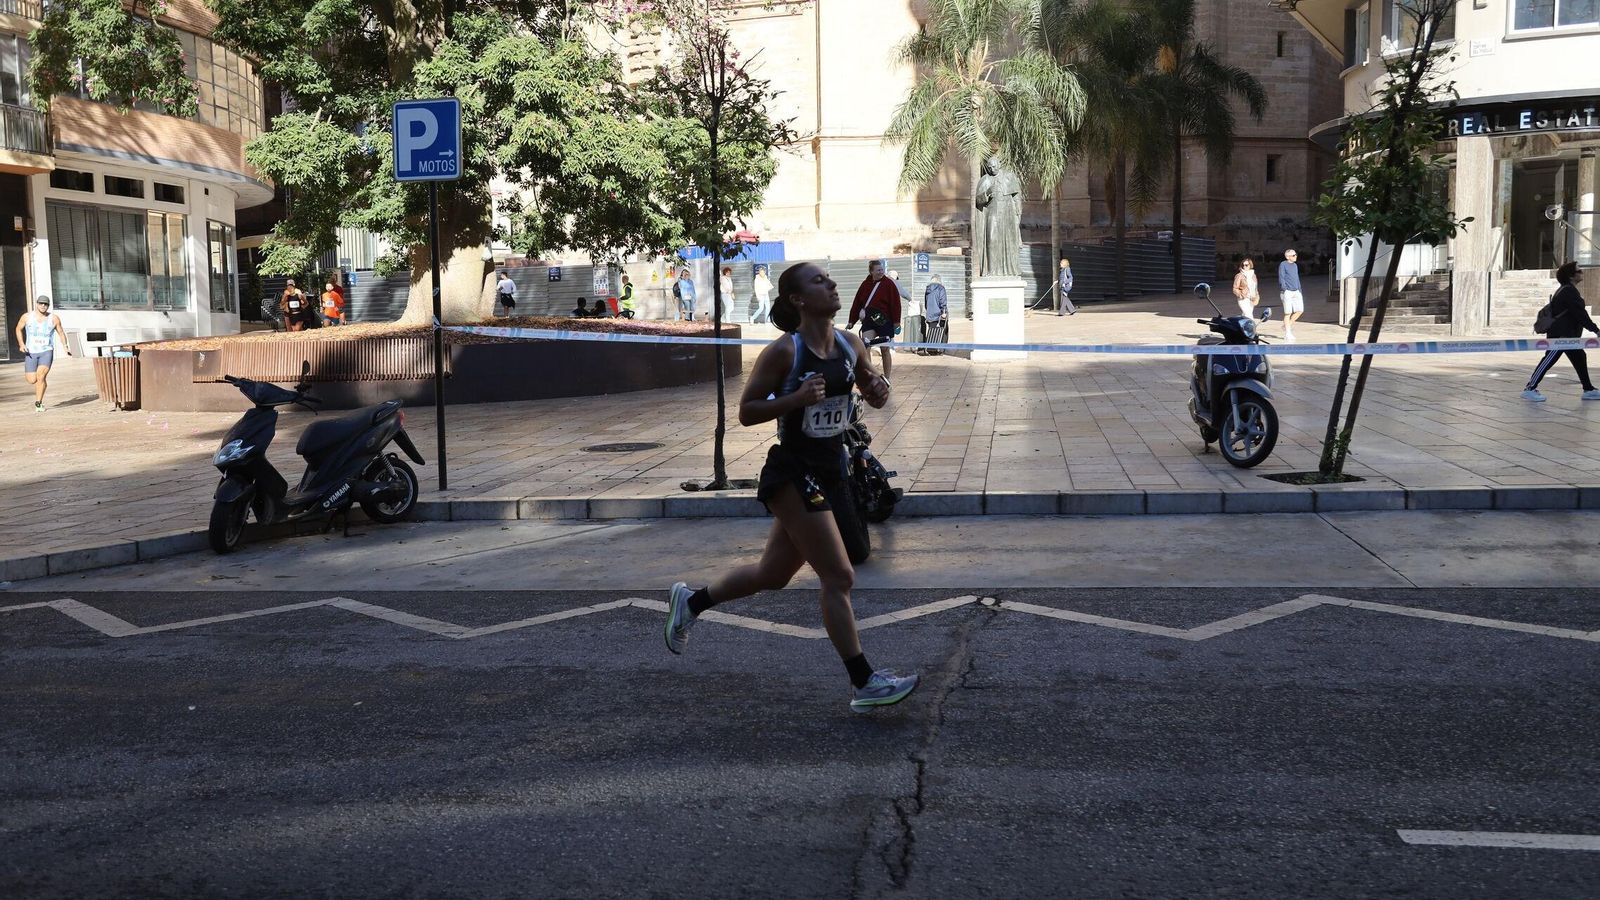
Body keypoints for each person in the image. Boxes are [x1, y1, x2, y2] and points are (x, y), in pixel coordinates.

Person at [663, 262, 918, 712]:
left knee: (773, 575)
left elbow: (871, 389)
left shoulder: (849, 343)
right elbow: (747, 411)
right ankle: (864, 683)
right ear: (798, 299)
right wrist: (795, 399)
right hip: (792, 473)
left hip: (832, 469)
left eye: (829, 279)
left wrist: (878, 388)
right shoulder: (785, 351)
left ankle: (691, 601)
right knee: (838, 576)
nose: (832, 284)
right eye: (819, 281)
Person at [1523, 262, 1600, 402]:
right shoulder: (1568, 291)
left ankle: (1588, 389)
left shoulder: (1566, 289)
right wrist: (1596, 330)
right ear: (1571, 276)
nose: (1581, 273)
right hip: (1561, 336)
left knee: (1580, 358)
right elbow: (1580, 314)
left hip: (1569, 336)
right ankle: (1529, 388)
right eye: (1579, 271)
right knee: (1549, 360)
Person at [847, 259, 901, 381]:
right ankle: (871, 377)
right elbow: (857, 303)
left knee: (885, 349)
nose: (881, 272)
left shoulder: (889, 284)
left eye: (882, 269)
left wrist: (896, 322)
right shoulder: (865, 285)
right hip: (869, 320)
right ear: (871, 271)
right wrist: (852, 320)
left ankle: (887, 378)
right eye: (878, 270)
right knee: (865, 346)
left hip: (884, 320)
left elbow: (895, 303)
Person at [15, 296, 71, 412]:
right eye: (41, 304)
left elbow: (60, 332)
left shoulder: (54, 318)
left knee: (41, 376)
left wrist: (65, 347)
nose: (43, 306)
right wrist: (21, 344)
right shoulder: (27, 317)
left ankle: (39, 403)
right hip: (31, 352)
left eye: (46, 304)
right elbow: (18, 329)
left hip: (46, 351)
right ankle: (42, 384)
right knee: (32, 380)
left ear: (48, 306)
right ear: (37, 304)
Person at [1278, 248, 1302, 342]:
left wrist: (1299, 289)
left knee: (1300, 310)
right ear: (1287, 257)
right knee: (1288, 312)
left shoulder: (1295, 265)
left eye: (1296, 254)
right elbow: (1281, 277)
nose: (1295, 256)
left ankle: (1286, 325)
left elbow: (1296, 277)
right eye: (1293, 255)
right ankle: (1288, 333)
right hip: (1287, 291)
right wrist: (1284, 289)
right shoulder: (1283, 264)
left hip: (1296, 291)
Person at [924, 274, 949, 355]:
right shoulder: (941, 288)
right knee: (944, 331)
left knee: (931, 331)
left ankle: (930, 349)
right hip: (939, 315)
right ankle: (940, 349)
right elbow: (943, 301)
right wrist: (944, 312)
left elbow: (926, 303)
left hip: (930, 314)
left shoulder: (927, 289)